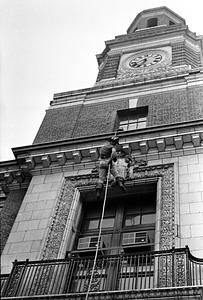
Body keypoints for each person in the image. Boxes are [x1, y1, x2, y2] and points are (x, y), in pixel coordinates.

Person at [96, 136, 126, 200]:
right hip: (108, 161)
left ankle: (98, 192)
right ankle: (120, 184)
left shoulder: (104, 146)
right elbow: (113, 154)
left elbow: (101, 153)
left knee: (101, 178)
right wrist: (112, 159)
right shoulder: (112, 147)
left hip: (101, 162)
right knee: (116, 174)